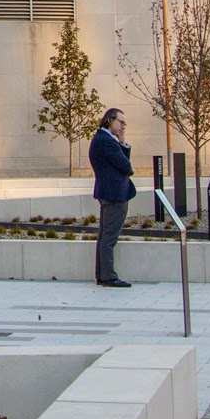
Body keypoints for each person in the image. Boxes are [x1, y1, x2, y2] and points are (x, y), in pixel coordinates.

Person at [87, 107, 136, 289]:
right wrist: (121, 146)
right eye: (120, 122)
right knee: (109, 238)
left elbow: (122, 162)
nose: (123, 126)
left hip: (108, 193)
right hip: (114, 194)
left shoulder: (103, 139)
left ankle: (103, 275)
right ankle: (108, 276)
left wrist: (122, 142)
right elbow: (126, 166)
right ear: (109, 120)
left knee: (104, 236)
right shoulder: (106, 141)